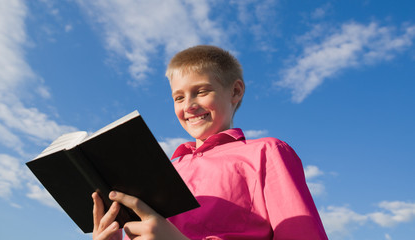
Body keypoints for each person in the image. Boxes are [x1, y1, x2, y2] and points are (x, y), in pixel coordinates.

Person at [92, 45, 328, 240]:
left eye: (202, 91)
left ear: (235, 92)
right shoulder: (167, 170)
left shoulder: (266, 152)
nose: (188, 106)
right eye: (179, 97)